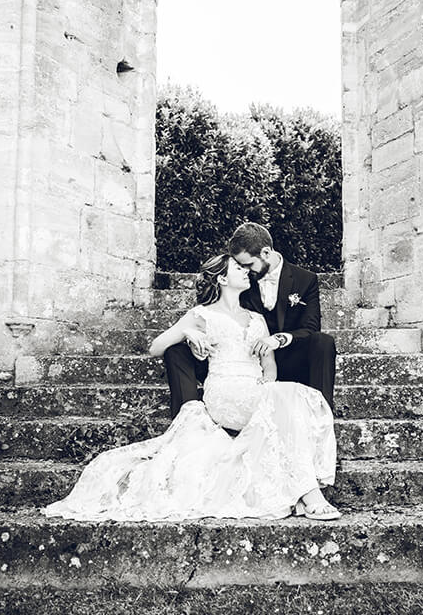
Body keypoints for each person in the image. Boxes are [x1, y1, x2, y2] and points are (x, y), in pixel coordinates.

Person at [43, 253, 338, 522]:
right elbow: (156, 347)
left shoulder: (257, 319)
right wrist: (187, 332)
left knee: (293, 397)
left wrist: (267, 386)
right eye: (239, 268)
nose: (247, 272)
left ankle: (304, 492)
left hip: (255, 388)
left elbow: (270, 365)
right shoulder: (203, 314)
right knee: (288, 400)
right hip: (224, 392)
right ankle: (310, 496)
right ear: (222, 279)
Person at [164, 222, 336, 418]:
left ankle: (321, 417)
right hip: (238, 363)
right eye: (240, 266)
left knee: (323, 342)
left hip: (286, 359)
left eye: (248, 265)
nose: (245, 270)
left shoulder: (305, 279)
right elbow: (211, 313)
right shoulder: (241, 280)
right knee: (176, 350)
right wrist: (193, 336)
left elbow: (311, 328)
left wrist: (278, 339)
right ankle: (187, 421)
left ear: (265, 253)